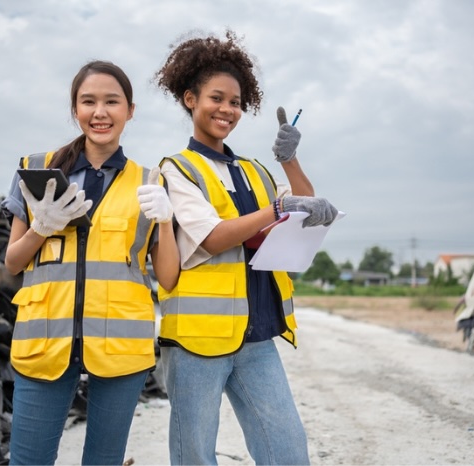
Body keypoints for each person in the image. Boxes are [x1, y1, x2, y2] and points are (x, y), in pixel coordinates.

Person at [152, 30, 338, 465]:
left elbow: (297, 213)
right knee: (195, 455)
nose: (227, 109)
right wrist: (278, 207)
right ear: (189, 99)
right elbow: (214, 235)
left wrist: (290, 161)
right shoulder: (176, 169)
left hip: (257, 334)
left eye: (235, 102)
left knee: (287, 450)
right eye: (216, 98)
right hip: (196, 341)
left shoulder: (253, 170)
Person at [1, 60, 179, 466]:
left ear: (130, 110)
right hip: (44, 338)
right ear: (75, 109)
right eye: (89, 102)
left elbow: (168, 277)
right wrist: (40, 228)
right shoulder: (36, 170)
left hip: (121, 343)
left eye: (112, 102)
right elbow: (13, 262)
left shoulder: (150, 182)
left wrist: (166, 222)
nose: (100, 112)